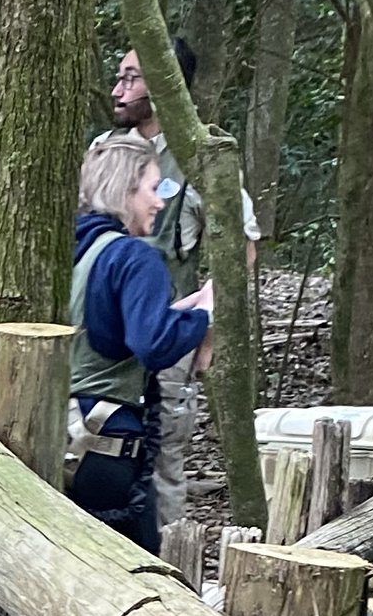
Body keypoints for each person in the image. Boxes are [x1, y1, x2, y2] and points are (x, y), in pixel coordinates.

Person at [106, 40, 259, 530]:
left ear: (165, 82)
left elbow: (244, 244)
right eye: (120, 76)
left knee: (161, 465)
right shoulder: (105, 152)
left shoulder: (199, 159)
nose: (119, 89)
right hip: (104, 340)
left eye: (132, 78)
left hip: (165, 336)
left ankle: (169, 573)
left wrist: (205, 316)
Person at [69, 130, 214, 553]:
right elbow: (151, 343)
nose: (160, 201)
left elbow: (111, 328)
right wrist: (204, 316)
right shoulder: (135, 257)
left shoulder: (78, 250)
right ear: (126, 189)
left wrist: (179, 317)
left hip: (64, 433)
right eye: (153, 188)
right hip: (107, 447)